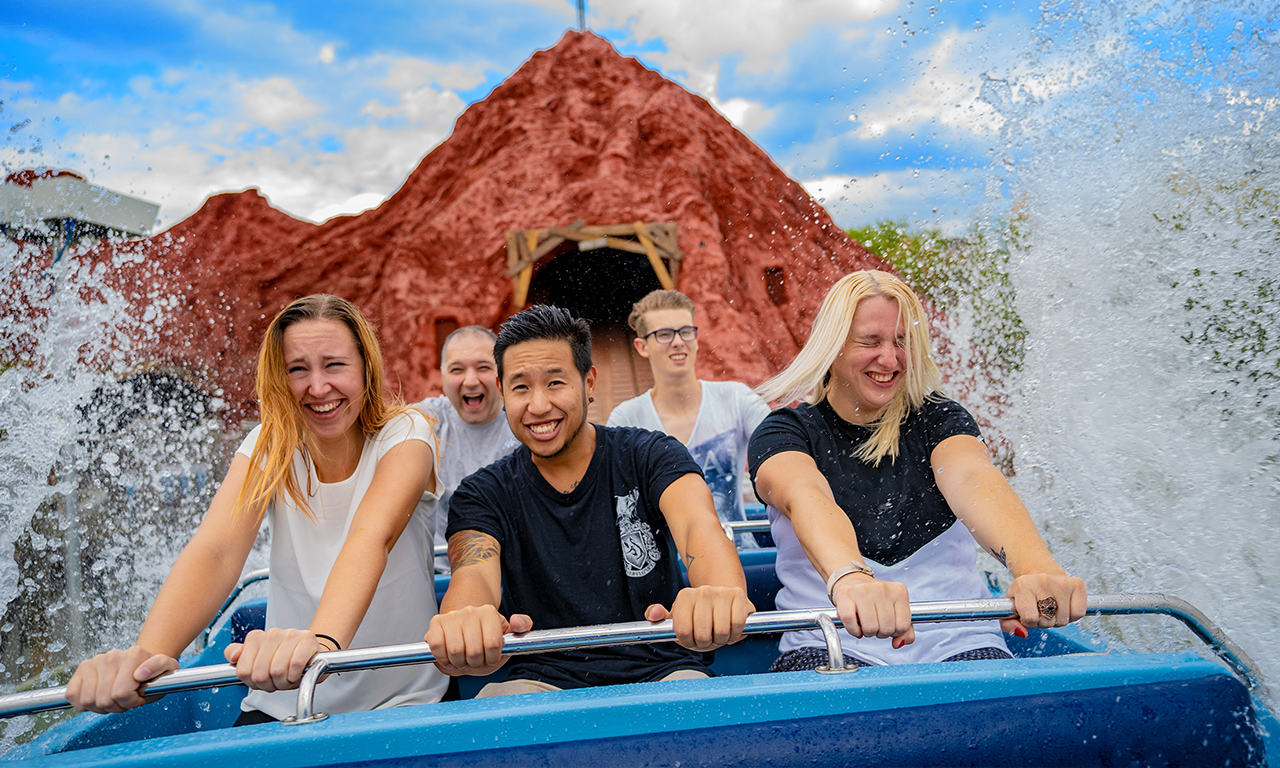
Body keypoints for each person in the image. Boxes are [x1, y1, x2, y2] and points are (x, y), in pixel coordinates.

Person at [66, 294, 448, 722]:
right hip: (283, 699)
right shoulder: (269, 445)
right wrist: (145, 660)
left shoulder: (405, 433)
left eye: (334, 365)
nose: (317, 387)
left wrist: (320, 646)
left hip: (401, 702)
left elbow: (371, 536)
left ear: (366, 369)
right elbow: (217, 552)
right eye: (297, 369)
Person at [747, 270, 1086, 671]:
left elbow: (972, 478)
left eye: (902, 341)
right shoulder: (785, 431)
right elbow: (806, 495)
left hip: (959, 639)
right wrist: (851, 579)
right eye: (870, 342)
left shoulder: (940, 419)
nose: (889, 359)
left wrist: (1036, 568)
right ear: (832, 347)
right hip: (831, 642)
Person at [425, 304, 754, 696]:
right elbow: (473, 575)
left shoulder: (651, 456)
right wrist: (465, 622)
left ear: (589, 382)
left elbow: (699, 527)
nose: (538, 406)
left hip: (664, 670)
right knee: (492, 710)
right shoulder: (483, 493)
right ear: (502, 392)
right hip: (539, 679)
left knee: (694, 701)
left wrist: (718, 593)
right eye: (521, 388)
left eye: (555, 383)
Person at [607, 290, 771, 548]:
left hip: (741, 552)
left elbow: (779, 451)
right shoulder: (626, 419)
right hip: (669, 562)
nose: (678, 342)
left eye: (685, 331)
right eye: (664, 334)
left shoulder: (736, 399)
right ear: (642, 346)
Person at [415, 326, 519, 573]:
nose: (471, 381)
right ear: (442, 377)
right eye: (457, 370)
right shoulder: (428, 421)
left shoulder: (524, 420)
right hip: (440, 573)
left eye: (483, 368)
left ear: (501, 373)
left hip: (512, 573)